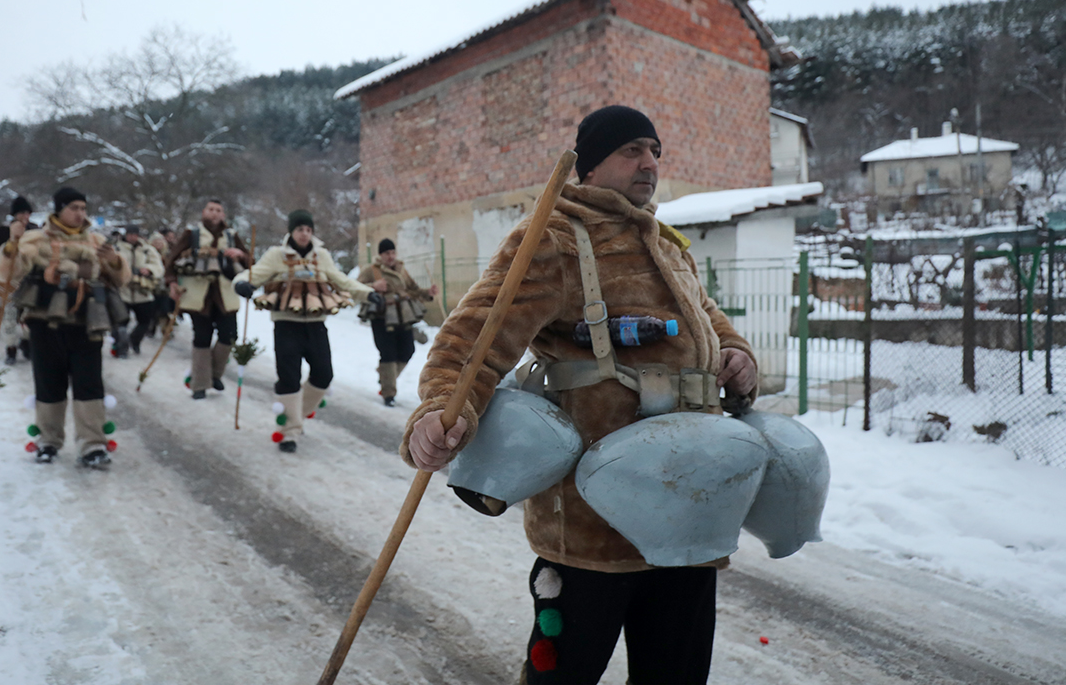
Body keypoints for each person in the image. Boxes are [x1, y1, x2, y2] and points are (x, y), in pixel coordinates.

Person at [403, 106, 759, 684]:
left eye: (656, 152)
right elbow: (473, 341)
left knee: (678, 673)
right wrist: (441, 410)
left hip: (688, 511)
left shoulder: (667, 245)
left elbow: (710, 322)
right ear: (590, 166)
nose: (650, 163)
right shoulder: (552, 238)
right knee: (562, 676)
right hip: (592, 530)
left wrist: (737, 354)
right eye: (632, 150)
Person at [0, 186, 130, 468]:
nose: (80, 214)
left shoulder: (96, 240)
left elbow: (120, 278)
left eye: (83, 208)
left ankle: (92, 445)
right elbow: (4, 273)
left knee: (89, 385)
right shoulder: (35, 239)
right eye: (73, 208)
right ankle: (48, 441)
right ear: (58, 209)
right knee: (49, 383)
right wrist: (11, 244)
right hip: (45, 323)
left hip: (87, 324)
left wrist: (113, 260)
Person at [232, 210, 372, 452]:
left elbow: (341, 281)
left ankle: (296, 415)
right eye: (300, 229)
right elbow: (255, 274)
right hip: (286, 324)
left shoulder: (323, 256)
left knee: (324, 374)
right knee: (289, 376)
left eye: (308, 229)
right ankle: (289, 433)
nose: (304, 234)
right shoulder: (277, 255)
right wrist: (242, 283)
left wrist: (370, 295)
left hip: (316, 324)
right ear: (291, 231)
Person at [165, 199, 249, 399]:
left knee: (229, 335)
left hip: (225, 294)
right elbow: (172, 260)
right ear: (204, 212)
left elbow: (249, 261)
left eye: (218, 210)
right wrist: (172, 283)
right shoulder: (191, 234)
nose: (214, 213)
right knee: (202, 337)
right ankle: (200, 385)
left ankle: (214, 374)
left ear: (223, 215)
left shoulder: (232, 236)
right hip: (197, 295)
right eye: (211, 209)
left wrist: (241, 254)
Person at [357, 238, 437, 406]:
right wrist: (374, 286)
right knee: (388, 354)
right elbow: (356, 288)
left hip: (403, 315)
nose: (391, 256)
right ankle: (389, 394)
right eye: (387, 253)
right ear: (380, 255)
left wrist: (427, 293)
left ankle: (386, 376)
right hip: (381, 317)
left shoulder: (401, 269)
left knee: (408, 350)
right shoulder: (371, 270)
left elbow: (412, 289)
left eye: (393, 252)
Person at [0, 197, 39, 363]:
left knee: (28, 315)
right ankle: (11, 348)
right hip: (8, 281)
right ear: (15, 214)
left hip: (29, 282)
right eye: (22, 213)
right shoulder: (3, 231)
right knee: (8, 316)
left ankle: (27, 343)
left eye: (27, 212)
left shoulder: (34, 231)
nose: (25, 216)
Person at [114, 225, 164, 357]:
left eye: (135, 234)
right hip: (122, 291)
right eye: (130, 234)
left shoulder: (147, 250)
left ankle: (134, 341)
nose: (132, 237)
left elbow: (158, 267)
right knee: (121, 322)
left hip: (142, 292)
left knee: (144, 321)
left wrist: (148, 269)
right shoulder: (117, 248)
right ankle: (121, 346)